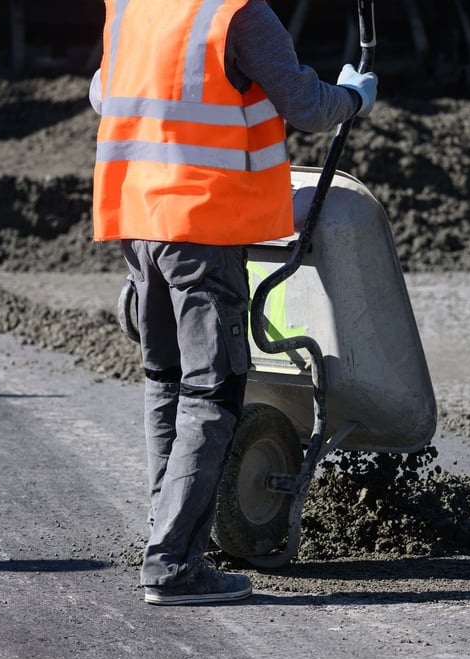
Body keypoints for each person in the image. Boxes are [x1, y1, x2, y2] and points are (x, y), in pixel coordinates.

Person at [89, 0, 377, 605]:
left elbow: (103, 93)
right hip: (202, 225)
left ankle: (165, 533)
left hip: (139, 220)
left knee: (166, 378)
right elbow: (305, 105)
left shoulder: (132, 8)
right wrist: (353, 96)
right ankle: (172, 565)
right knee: (212, 391)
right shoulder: (237, 13)